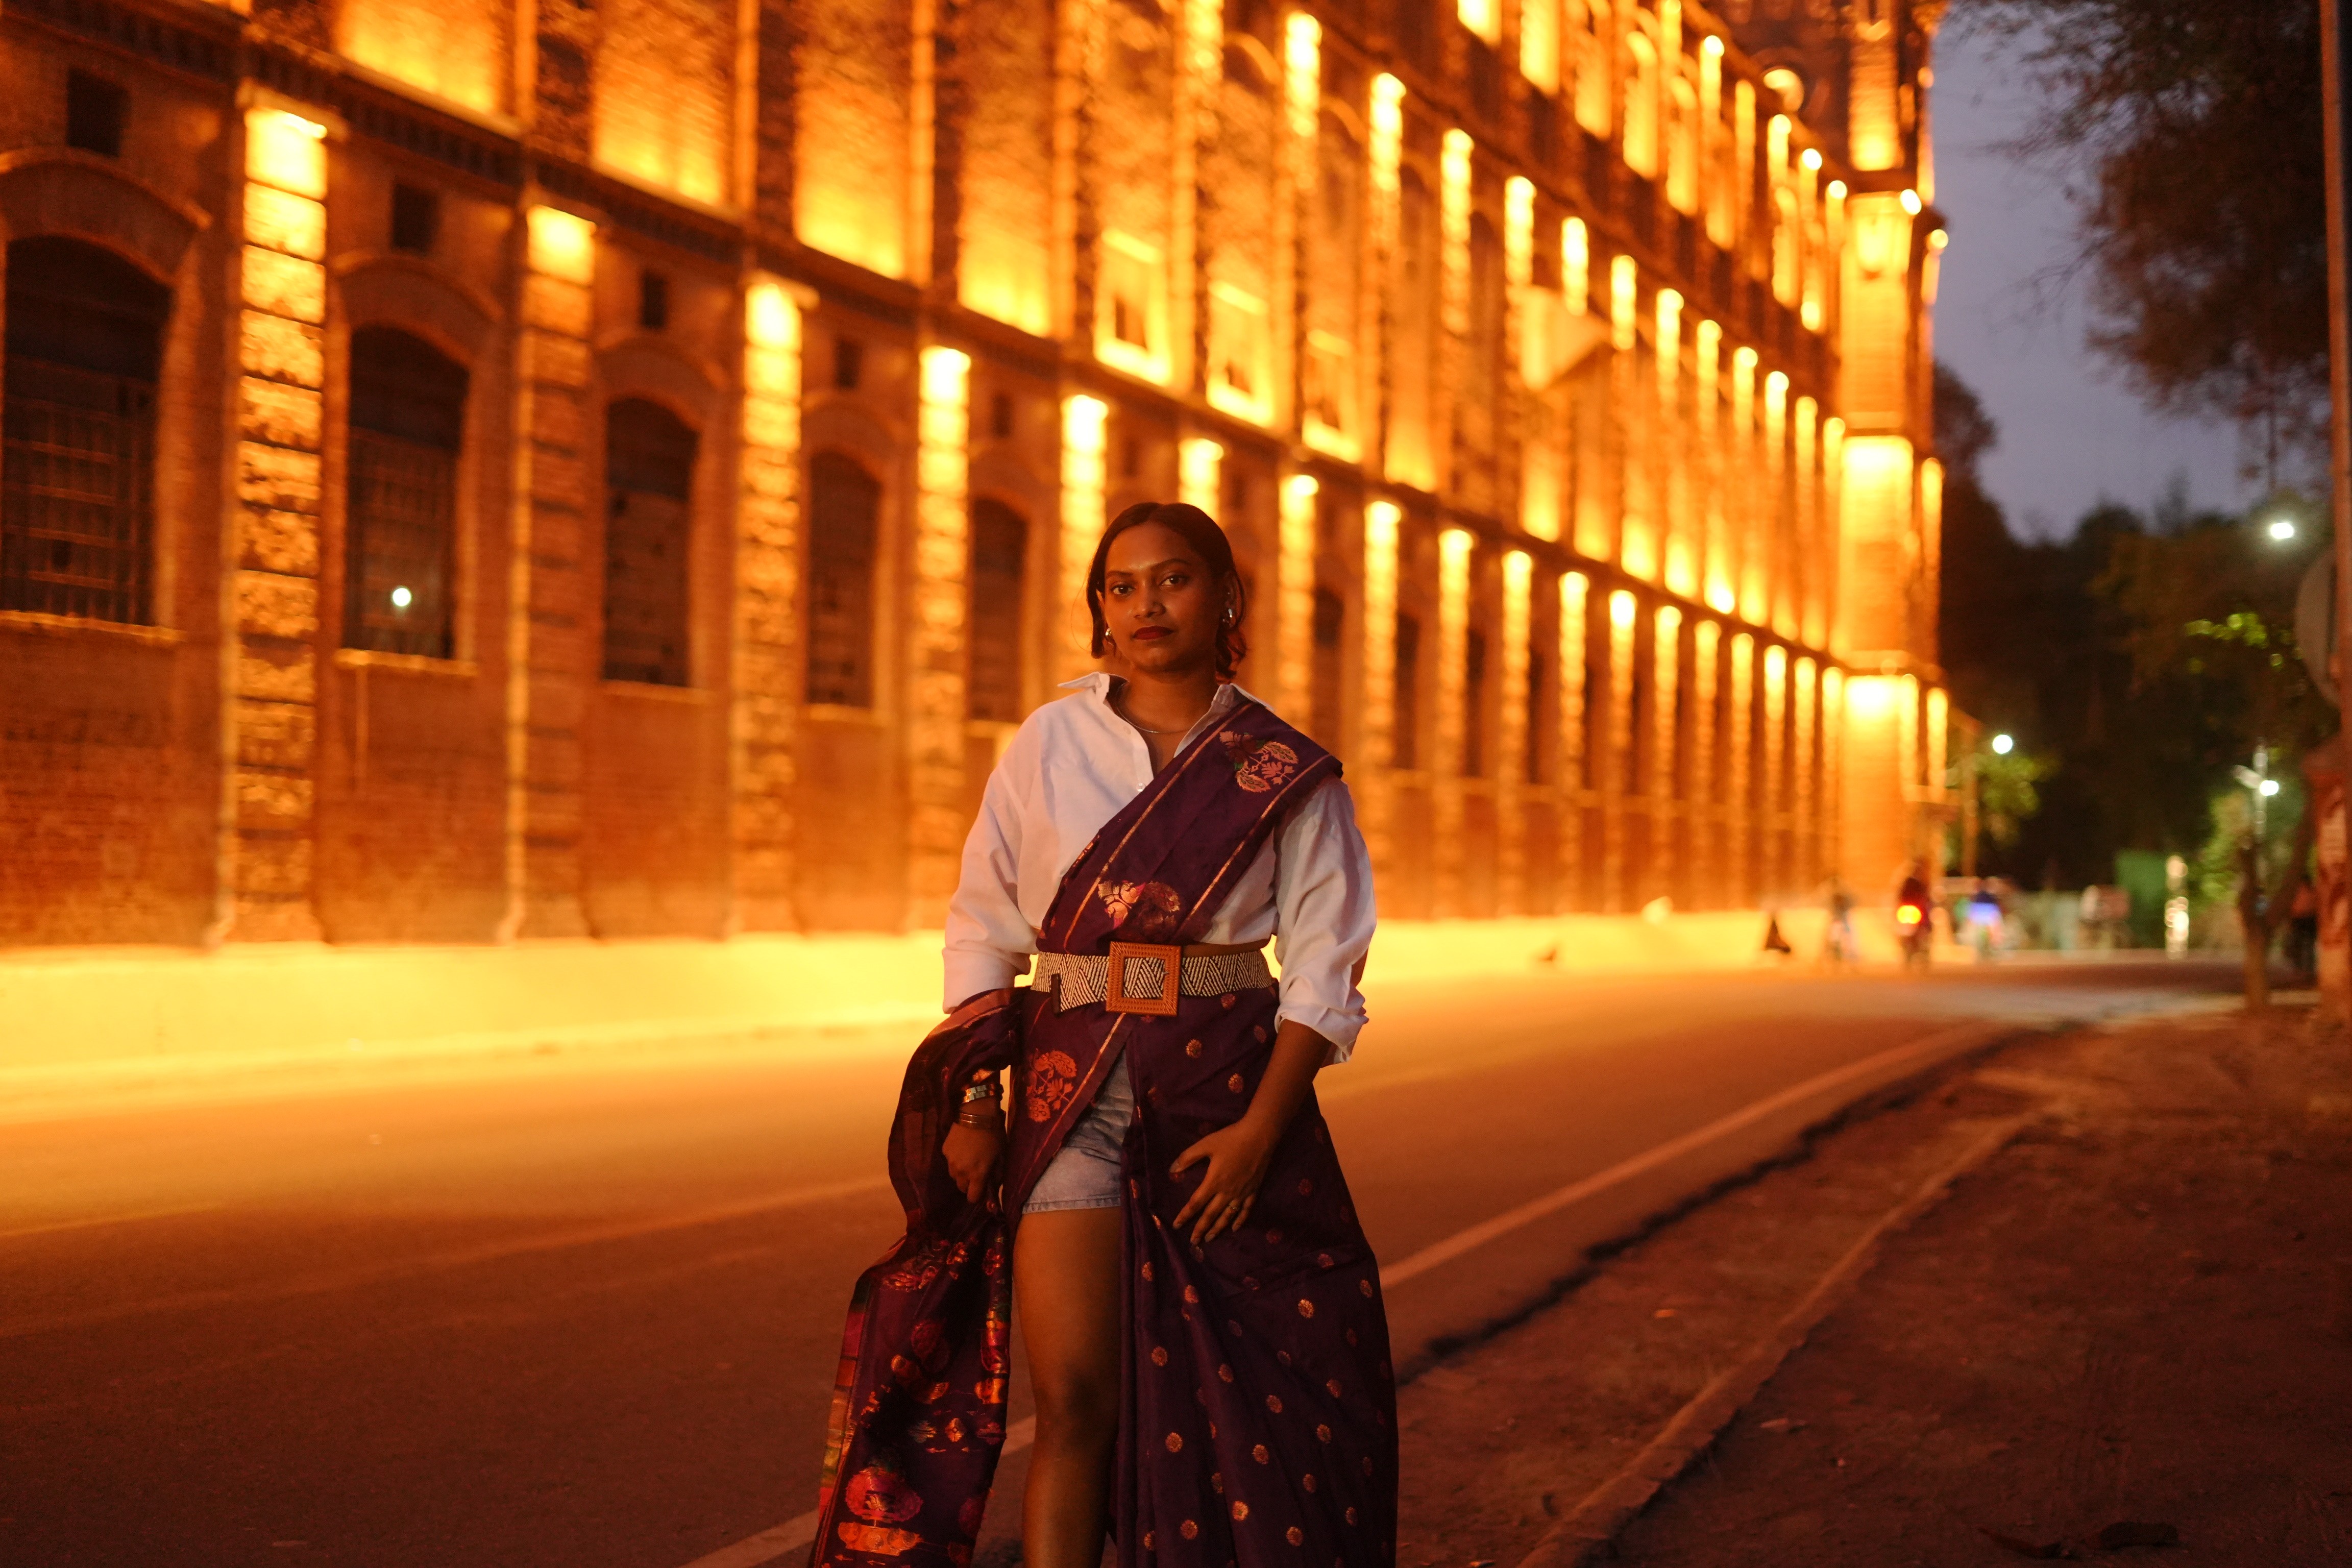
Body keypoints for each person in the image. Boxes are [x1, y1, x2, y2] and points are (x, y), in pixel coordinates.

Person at [808, 501, 1396, 1568]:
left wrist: (1262, 1135)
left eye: (1172, 579)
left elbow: (1325, 966)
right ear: (1100, 609)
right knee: (1077, 1398)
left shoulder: (1279, 767)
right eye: (1120, 587)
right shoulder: (1050, 743)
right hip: (1068, 1090)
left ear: (1226, 598)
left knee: (1256, 1392)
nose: (1144, 605)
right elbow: (983, 925)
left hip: (1225, 1095)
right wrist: (978, 1103)